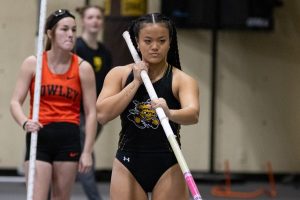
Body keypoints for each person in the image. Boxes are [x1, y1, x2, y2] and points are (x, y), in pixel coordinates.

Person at [96, 13, 200, 200]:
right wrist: (135, 83)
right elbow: (102, 115)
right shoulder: (119, 74)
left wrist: (169, 112)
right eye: (148, 40)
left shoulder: (181, 80)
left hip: (168, 163)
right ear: (137, 42)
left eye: (161, 40)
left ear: (170, 42)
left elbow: (193, 114)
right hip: (128, 162)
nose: (154, 47)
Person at [10, 9, 97, 200]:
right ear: (50, 33)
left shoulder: (83, 68)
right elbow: (15, 102)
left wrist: (87, 151)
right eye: (64, 29)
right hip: (39, 136)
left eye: (74, 30)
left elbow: (91, 113)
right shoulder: (33, 64)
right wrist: (25, 122)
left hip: (69, 139)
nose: (70, 34)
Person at [74, 5, 112, 200]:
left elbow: (109, 85)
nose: (95, 21)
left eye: (98, 17)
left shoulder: (105, 53)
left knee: (76, 155)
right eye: (90, 17)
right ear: (83, 21)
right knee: (86, 155)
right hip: (76, 114)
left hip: (97, 115)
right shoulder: (75, 48)